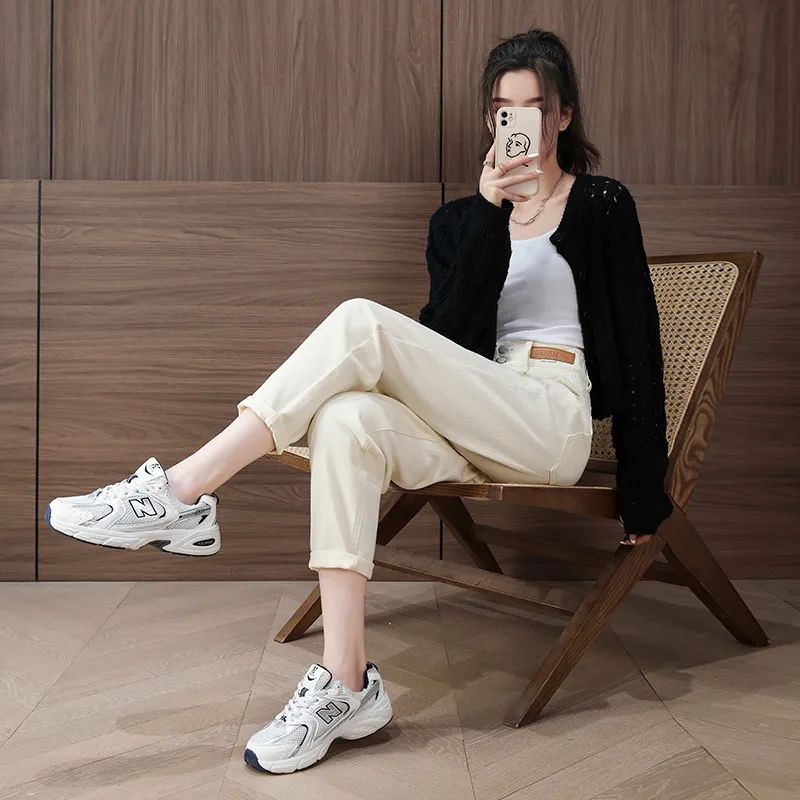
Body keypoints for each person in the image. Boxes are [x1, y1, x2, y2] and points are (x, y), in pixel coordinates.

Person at [44, 28, 672, 774]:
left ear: (563, 115)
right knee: (346, 420)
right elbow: (447, 339)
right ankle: (347, 682)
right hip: (471, 409)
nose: (520, 123)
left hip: (548, 420)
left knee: (361, 321)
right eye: (504, 108)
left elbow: (639, 342)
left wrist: (643, 489)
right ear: (490, 118)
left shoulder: (601, 204)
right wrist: (488, 215)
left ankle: (183, 491)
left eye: (535, 107)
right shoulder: (459, 222)